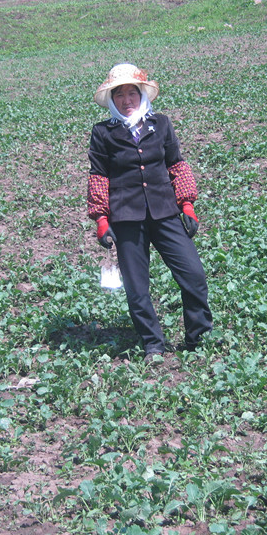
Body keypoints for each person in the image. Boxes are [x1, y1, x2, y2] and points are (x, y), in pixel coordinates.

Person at [87, 63, 213, 361]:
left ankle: (198, 337)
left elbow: (176, 164)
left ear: (142, 95)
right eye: (119, 95)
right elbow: (98, 176)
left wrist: (187, 204)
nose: (126, 100)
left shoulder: (161, 124)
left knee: (193, 274)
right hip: (126, 217)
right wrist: (101, 218)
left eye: (132, 93)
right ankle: (153, 344)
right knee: (136, 287)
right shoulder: (103, 133)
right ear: (112, 100)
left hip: (165, 212)